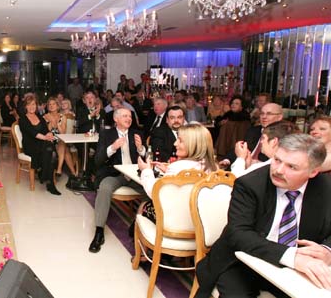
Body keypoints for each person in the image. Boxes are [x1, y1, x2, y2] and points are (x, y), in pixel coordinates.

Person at [195, 134, 331, 298]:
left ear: (313, 171)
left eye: (291, 167)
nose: (279, 170)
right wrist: (292, 256)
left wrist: (326, 250)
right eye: (277, 160)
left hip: (296, 267)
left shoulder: (325, 189)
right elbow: (238, 234)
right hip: (241, 261)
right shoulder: (250, 184)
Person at [88, 108, 146, 253]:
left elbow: (145, 159)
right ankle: (99, 231)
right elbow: (98, 160)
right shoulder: (106, 134)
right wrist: (113, 147)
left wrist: (141, 149)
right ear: (116, 119)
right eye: (125, 116)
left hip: (134, 174)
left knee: (152, 189)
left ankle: (137, 224)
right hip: (116, 174)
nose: (129, 118)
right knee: (104, 188)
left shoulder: (136, 134)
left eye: (130, 116)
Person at [137, 123, 217, 220]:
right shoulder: (213, 167)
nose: (175, 143)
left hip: (176, 221)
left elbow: (155, 193)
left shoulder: (178, 167)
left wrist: (146, 171)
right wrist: (169, 171)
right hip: (200, 221)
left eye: (180, 141)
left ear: (193, 144)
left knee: (144, 205)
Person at [18, 95, 60, 195]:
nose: (32, 107)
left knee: (50, 150)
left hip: (41, 143)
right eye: (29, 105)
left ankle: (46, 179)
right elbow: (33, 133)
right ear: (26, 107)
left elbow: (45, 130)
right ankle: (48, 181)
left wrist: (49, 134)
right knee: (50, 149)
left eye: (34, 104)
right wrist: (46, 137)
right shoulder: (22, 119)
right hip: (30, 145)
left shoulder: (39, 117)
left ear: (36, 106)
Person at [231, 120, 300, 178]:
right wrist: (249, 165)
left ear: (274, 142)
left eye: (263, 138)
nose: (261, 141)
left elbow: (235, 182)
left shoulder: (268, 167)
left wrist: (240, 158)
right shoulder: (297, 166)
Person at [43, 97, 77, 179]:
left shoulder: (63, 117)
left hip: (60, 139)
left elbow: (62, 133)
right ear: (48, 106)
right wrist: (51, 122)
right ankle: (73, 173)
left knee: (62, 143)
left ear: (57, 106)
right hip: (49, 139)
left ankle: (60, 169)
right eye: (49, 104)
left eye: (53, 104)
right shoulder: (45, 117)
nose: (51, 106)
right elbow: (47, 131)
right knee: (65, 149)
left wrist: (58, 124)